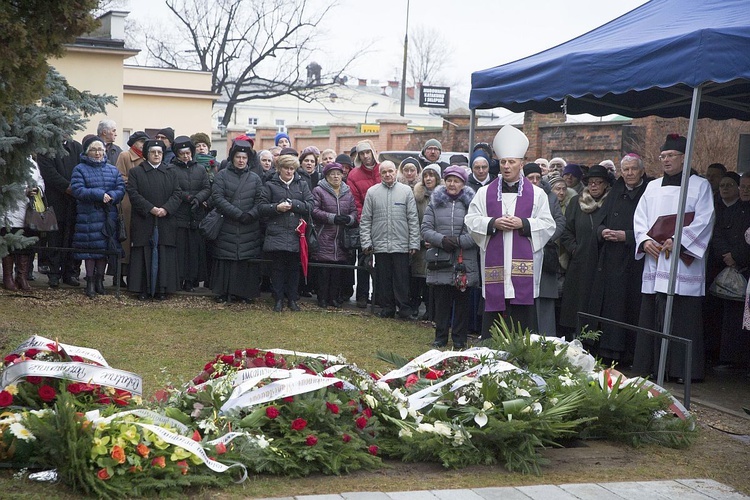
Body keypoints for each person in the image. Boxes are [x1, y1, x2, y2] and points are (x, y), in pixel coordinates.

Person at [633, 134, 715, 384]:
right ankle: (649, 366)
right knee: (652, 312)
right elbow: (640, 218)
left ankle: (682, 370)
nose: (666, 160)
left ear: (683, 158)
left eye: (671, 156)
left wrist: (679, 241)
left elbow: (705, 218)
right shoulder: (652, 186)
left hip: (682, 261)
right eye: (663, 156)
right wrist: (645, 241)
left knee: (683, 315)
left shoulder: (700, 185)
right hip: (656, 257)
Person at [465, 125, 556, 338]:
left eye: (511, 162)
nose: (506, 167)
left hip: (523, 272)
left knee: (522, 326)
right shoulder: (484, 193)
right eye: (503, 162)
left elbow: (548, 224)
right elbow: (470, 221)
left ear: (521, 164)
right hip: (495, 269)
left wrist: (523, 224)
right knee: (493, 327)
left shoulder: (538, 194)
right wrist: (493, 223)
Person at [588, 154, 651, 365]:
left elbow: (653, 227)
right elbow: (600, 220)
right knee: (611, 307)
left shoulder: (649, 191)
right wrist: (603, 231)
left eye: (634, 169)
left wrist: (629, 236)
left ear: (642, 171)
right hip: (611, 260)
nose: (630, 173)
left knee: (631, 306)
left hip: (635, 259)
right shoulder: (616, 191)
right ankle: (608, 351)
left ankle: (630, 355)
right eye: (626, 170)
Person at [421, 166, 478, 348]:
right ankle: (440, 337)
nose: (452, 184)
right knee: (442, 303)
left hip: (464, 260)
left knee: (462, 303)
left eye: (457, 180)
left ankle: (460, 339)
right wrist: (442, 240)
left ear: (463, 183)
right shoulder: (434, 202)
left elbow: (477, 232)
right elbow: (426, 230)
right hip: (441, 259)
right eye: (449, 180)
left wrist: (459, 241)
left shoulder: (473, 205)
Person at [360, 160, 420, 319]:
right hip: (380, 244)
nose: (387, 174)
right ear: (380, 174)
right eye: (384, 172)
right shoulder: (372, 192)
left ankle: (404, 308)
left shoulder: (406, 191)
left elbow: (412, 219)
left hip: (401, 244)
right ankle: (387, 308)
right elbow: (366, 219)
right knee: (383, 279)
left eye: (390, 171)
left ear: (395, 172)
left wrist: (414, 243)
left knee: (402, 279)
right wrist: (366, 243)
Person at [559, 165, 614, 336]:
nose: (594, 186)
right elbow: (566, 230)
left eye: (599, 182)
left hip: (603, 262)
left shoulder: (611, 202)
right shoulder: (577, 202)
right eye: (591, 182)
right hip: (579, 262)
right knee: (575, 304)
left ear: (606, 184)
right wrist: (574, 249)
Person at [126, 140, 182, 300]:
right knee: (144, 252)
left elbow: (177, 193)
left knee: (164, 253)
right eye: (153, 152)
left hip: (166, 220)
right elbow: (133, 193)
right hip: (144, 220)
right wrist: (151, 208)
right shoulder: (137, 172)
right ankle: (142, 289)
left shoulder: (171, 172)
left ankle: (162, 289)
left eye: (159, 152)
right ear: (147, 154)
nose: (156, 155)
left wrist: (166, 209)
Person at [70, 135, 126, 298]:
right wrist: (99, 194)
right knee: (90, 251)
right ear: (87, 152)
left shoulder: (112, 169)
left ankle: (100, 281)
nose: (97, 153)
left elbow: (120, 188)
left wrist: (112, 195)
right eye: (93, 150)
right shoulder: (79, 169)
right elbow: (78, 190)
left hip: (108, 215)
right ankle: (90, 282)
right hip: (88, 215)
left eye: (100, 149)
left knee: (104, 250)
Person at [210, 140, 264, 304]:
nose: (241, 160)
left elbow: (260, 199)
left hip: (249, 224)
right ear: (233, 158)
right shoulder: (222, 175)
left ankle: (244, 292)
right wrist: (238, 214)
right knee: (226, 259)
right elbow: (218, 198)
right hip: (227, 223)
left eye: (244, 157)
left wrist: (251, 214)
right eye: (238, 157)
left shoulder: (255, 178)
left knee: (245, 260)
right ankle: (223, 291)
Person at [259, 154, 314, 312]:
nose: (289, 172)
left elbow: (310, 205)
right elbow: (261, 207)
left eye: (292, 169)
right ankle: (278, 299)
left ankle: (292, 299)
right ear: (279, 169)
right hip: (277, 232)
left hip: (297, 233)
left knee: (293, 269)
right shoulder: (269, 185)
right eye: (286, 168)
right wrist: (276, 208)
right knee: (277, 269)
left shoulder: (302, 185)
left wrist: (294, 205)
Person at [708, 172, 750, 368]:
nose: (745, 191)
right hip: (728, 264)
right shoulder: (735, 210)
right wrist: (726, 254)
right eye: (743, 186)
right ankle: (729, 357)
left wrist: (738, 256)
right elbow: (717, 233)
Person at [524, 163, 565, 337]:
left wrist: (543, 237)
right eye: (530, 178)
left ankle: (547, 340)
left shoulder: (550, 197)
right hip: (523, 252)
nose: (535, 181)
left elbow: (559, 222)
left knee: (545, 301)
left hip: (545, 251)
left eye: (538, 178)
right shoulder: (518, 196)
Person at [37, 138, 83, 288]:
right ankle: (54, 274)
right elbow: (49, 173)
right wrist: (67, 187)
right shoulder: (45, 148)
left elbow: (82, 167)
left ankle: (70, 273)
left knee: (71, 238)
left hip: (75, 201)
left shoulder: (76, 147)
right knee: (55, 238)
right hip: (55, 200)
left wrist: (76, 188)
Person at [311, 162, 358, 308]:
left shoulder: (347, 192)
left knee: (337, 271)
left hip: (341, 238)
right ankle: (322, 298)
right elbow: (314, 210)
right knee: (324, 271)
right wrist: (332, 218)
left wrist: (349, 219)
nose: (336, 176)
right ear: (326, 176)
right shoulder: (319, 191)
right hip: (325, 235)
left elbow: (354, 211)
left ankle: (333, 298)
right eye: (332, 174)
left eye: (338, 174)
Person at [170, 136, 211, 291]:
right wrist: (187, 197)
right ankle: (178, 278)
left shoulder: (200, 168)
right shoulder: (172, 169)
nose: (186, 156)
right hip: (179, 213)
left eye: (188, 153)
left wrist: (198, 199)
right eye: (182, 153)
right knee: (180, 249)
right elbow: (173, 188)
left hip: (196, 213)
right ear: (177, 154)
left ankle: (190, 279)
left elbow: (207, 187)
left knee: (194, 249)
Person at [2, 159, 45, 292]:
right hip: (10, 208)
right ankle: (7, 277)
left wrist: (37, 189)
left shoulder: (31, 161)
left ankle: (22, 277)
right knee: (9, 242)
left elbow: (40, 180)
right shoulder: (7, 158)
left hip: (28, 210)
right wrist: (23, 191)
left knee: (26, 243)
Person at [347, 140, 381, 308]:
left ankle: (380, 296)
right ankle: (362, 295)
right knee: (364, 258)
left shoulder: (383, 170)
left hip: (384, 223)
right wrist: (364, 221)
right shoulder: (354, 175)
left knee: (382, 261)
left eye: (368, 152)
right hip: (364, 223)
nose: (366, 156)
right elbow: (355, 202)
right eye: (362, 153)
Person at [114, 131, 149, 286]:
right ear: (134, 143)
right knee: (125, 238)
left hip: (142, 200)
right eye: (141, 141)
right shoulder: (125, 156)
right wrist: (137, 182)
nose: (143, 145)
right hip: (127, 201)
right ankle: (119, 275)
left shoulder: (147, 157)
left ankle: (135, 275)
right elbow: (119, 176)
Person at [411, 163, 443, 319]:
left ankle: (432, 310)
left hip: (437, 243)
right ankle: (415, 306)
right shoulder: (417, 197)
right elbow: (413, 219)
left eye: (432, 175)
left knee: (434, 278)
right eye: (426, 175)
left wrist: (437, 239)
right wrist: (421, 240)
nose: (429, 178)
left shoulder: (444, 196)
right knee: (418, 276)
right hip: (421, 243)